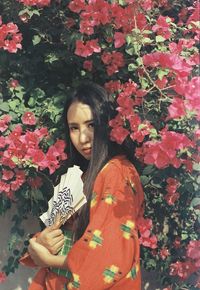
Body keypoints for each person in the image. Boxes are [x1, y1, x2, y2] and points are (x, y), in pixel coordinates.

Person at [20, 82, 144, 290]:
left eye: (91, 125)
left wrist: (49, 260)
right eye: (74, 128)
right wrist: (40, 243)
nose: (83, 138)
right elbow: (58, 231)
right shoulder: (82, 173)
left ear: (107, 124)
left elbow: (108, 255)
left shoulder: (118, 172)